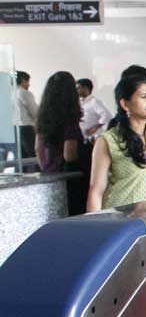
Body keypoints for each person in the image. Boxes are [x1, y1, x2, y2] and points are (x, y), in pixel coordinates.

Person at [86, 71, 146, 212]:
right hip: (123, 220)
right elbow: (96, 191)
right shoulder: (108, 140)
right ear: (125, 104)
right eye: (144, 96)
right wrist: (94, 224)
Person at [35, 71, 87, 215]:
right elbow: (69, 155)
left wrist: (48, 169)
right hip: (70, 181)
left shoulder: (43, 118)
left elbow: (37, 149)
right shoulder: (69, 120)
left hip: (50, 178)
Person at [14, 71, 37, 163]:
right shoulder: (23, 92)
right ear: (23, 80)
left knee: (20, 159)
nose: (29, 85)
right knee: (34, 156)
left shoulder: (8, 93)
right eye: (28, 82)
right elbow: (35, 112)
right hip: (26, 129)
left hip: (13, 130)